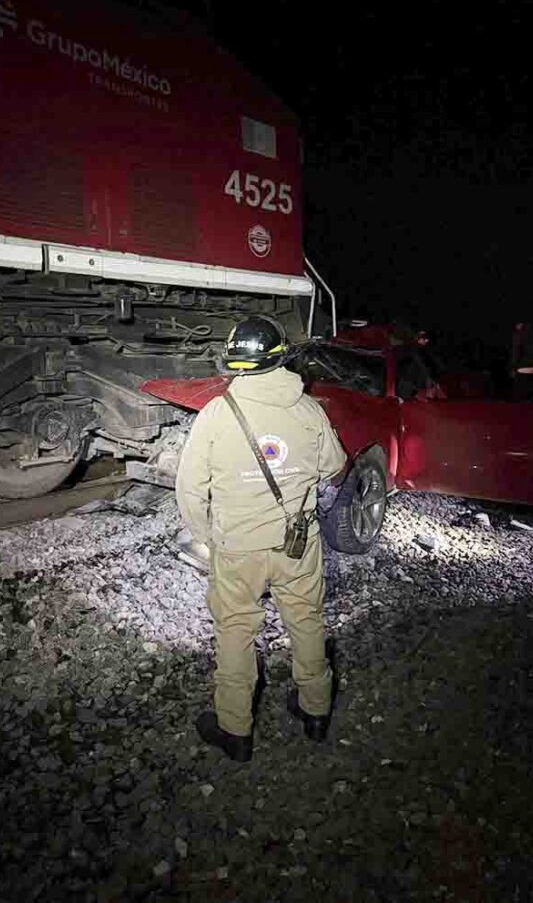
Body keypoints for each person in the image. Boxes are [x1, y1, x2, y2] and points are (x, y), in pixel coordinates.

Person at [175, 316, 347, 762]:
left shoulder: (217, 413)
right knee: (306, 620)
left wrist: (207, 536)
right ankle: (315, 710)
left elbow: (190, 488)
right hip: (298, 542)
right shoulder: (309, 409)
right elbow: (334, 466)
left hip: (238, 549)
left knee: (235, 630)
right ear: (279, 358)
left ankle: (236, 731)